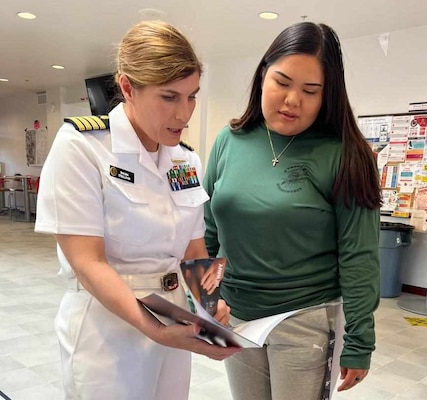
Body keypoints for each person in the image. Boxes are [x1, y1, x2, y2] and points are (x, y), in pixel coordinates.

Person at [35, 20, 240, 400]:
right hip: (107, 329)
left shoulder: (185, 160)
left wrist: (211, 309)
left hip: (175, 320)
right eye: (169, 97)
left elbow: (194, 252)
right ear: (127, 87)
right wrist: (155, 329)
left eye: (192, 96)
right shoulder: (83, 147)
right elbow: (88, 262)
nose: (185, 114)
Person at [204, 21, 381, 400]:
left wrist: (360, 339)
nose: (292, 100)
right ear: (262, 74)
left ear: (327, 95)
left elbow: (359, 255)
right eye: (282, 83)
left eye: (310, 90)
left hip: (304, 319)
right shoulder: (228, 140)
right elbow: (206, 231)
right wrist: (205, 304)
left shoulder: (346, 154)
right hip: (237, 314)